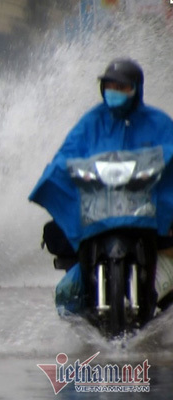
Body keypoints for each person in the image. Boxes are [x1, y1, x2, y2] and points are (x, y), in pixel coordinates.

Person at [29, 58, 173, 313]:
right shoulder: (91, 122)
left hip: (144, 218)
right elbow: (67, 154)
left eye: (123, 87)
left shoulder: (158, 122)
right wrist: (59, 171)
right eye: (110, 86)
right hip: (96, 218)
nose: (115, 93)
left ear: (136, 89)